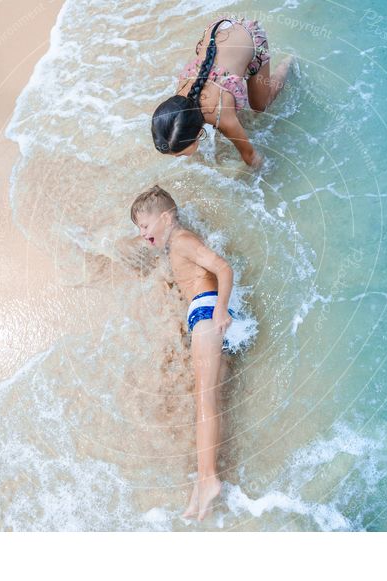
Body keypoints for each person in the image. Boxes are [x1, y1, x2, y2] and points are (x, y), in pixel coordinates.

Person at [130, 185, 254, 521]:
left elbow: (223, 267)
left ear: (166, 218)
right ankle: (204, 480)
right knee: (208, 398)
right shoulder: (176, 243)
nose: (142, 234)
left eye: (144, 226)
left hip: (207, 312)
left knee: (205, 399)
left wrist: (221, 310)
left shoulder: (182, 240)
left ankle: (208, 479)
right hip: (202, 313)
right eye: (138, 228)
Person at [151, 17, 293, 167]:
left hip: (249, 36)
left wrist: (260, 182)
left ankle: (290, 63)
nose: (177, 157)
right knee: (230, 109)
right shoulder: (178, 103)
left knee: (260, 106)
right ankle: (237, 69)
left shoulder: (220, 114)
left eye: (180, 154)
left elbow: (251, 157)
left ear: (197, 133)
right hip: (218, 31)